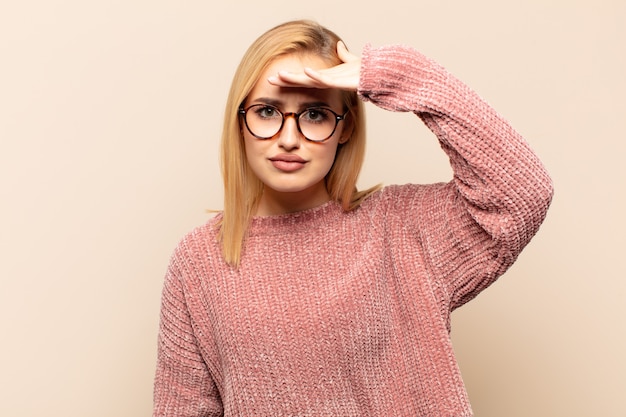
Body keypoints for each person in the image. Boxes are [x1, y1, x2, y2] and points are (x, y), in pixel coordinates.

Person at [152, 19, 553, 417]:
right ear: (240, 122)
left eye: (314, 114)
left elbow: (522, 194)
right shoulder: (199, 261)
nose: (288, 138)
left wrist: (401, 76)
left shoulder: (401, 228)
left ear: (345, 128)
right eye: (267, 111)